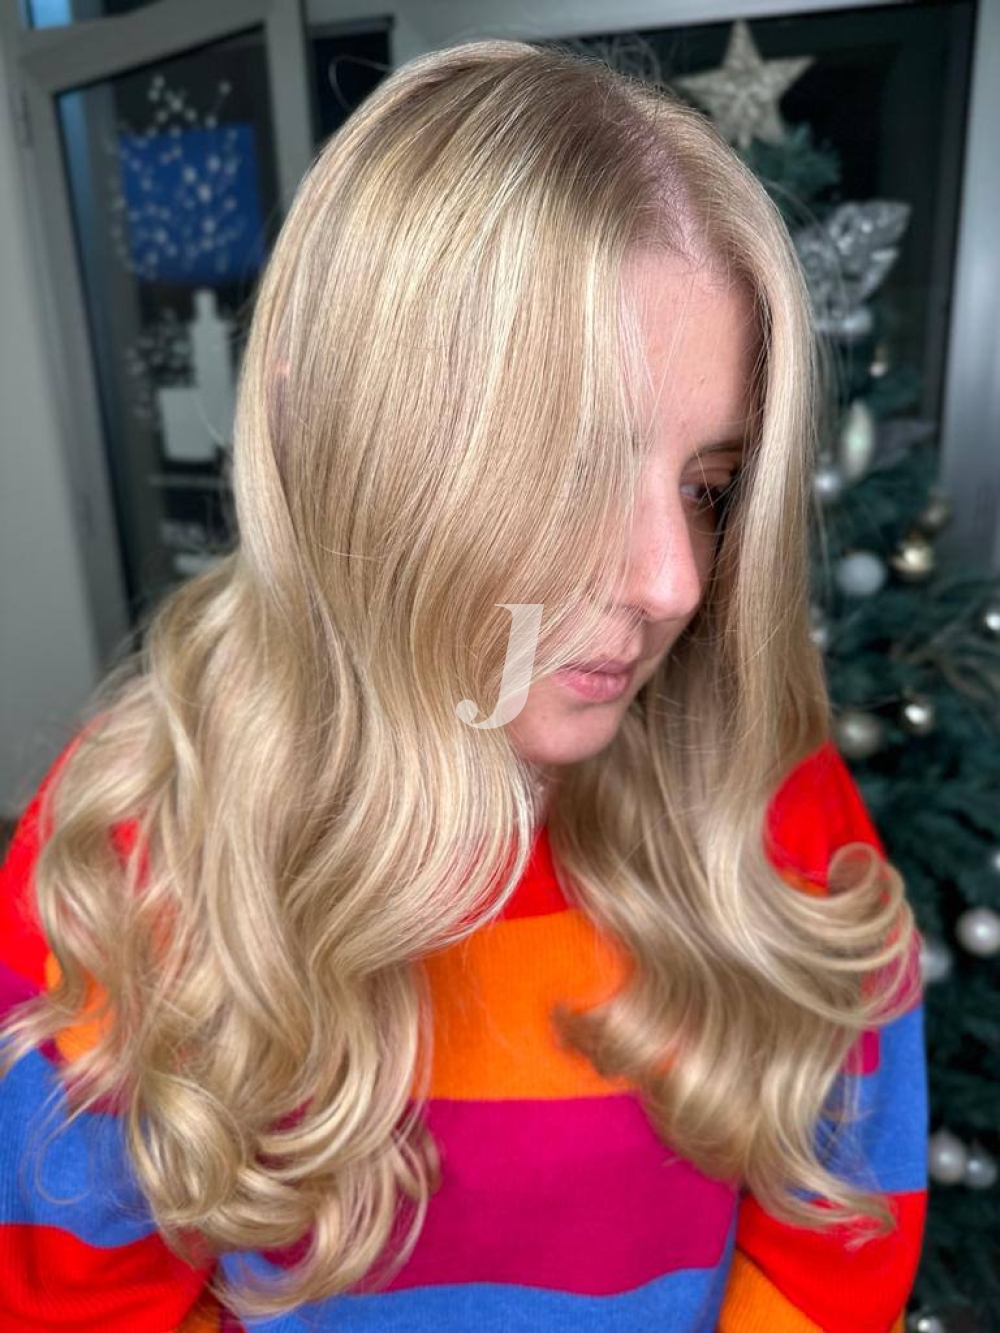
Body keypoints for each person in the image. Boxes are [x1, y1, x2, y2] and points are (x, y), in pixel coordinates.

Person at [0, 36, 927, 1332]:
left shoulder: (764, 791)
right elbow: (80, 1301)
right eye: (571, 467)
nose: (672, 581)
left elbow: (839, 1237)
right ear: (345, 441)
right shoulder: (135, 840)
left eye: (708, 489)